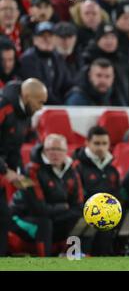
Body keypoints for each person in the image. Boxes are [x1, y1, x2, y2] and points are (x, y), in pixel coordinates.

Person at [10, 134, 83, 257]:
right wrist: (64, 207)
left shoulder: (72, 172)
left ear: (66, 151)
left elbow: (78, 205)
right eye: (50, 149)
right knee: (44, 223)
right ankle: (45, 263)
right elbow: (38, 209)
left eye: (59, 149)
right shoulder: (31, 171)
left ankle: (78, 259)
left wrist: (63, 210)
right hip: (21, 218)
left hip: (53, 216)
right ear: (44, 150)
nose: (55, 153)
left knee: (85, 220)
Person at [0, 78, 48, 256]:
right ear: (27, 96)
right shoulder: (3, 106)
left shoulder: (24, 115)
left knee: (3, 219)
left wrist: (18, 172)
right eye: (40, 102)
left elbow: (13, 148)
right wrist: (5, 170)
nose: (41, 107)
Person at [72, 126, 120, 256]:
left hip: (107, 214)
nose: (101, 147)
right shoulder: (77, 166)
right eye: (97, 143)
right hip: (84, 213)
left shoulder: (112, 170)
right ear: (87, 143)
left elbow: (117, 195)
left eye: (104, 143)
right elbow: (75, 195)